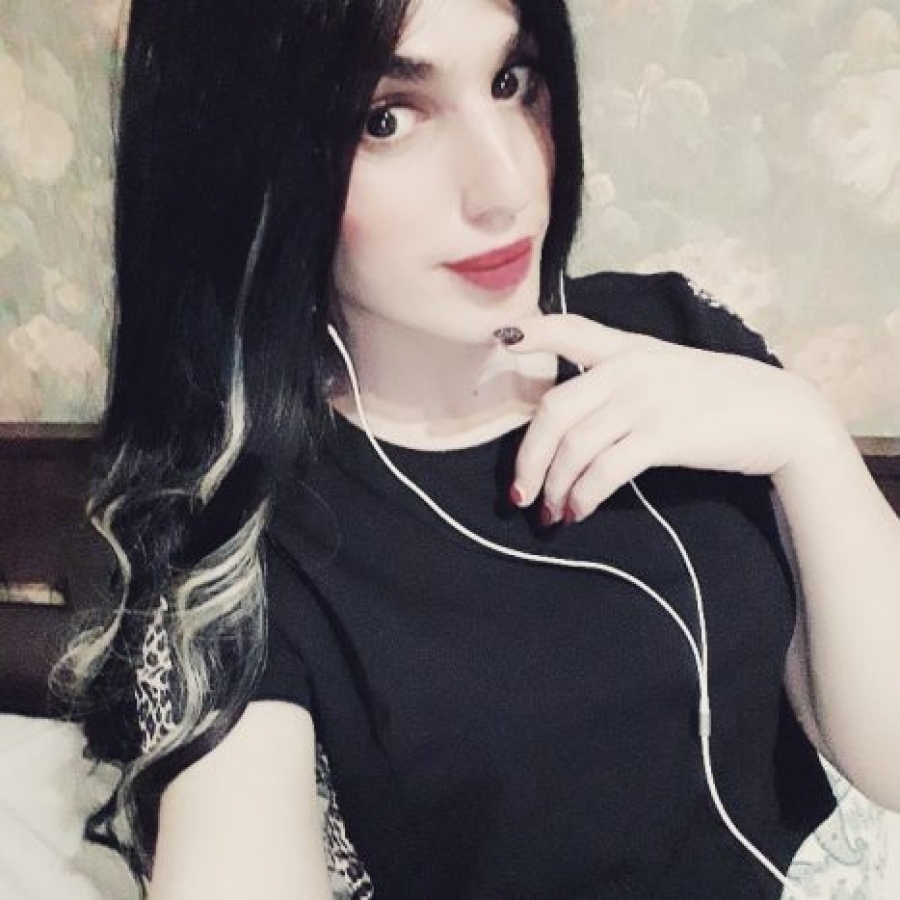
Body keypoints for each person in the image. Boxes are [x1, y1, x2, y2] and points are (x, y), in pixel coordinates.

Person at [50, 0, 900, 898]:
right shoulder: (252, 544)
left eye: (510, 81)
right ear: (249, 157)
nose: (503, 184)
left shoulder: (675, 335)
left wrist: (805, 437)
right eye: (386, 119)